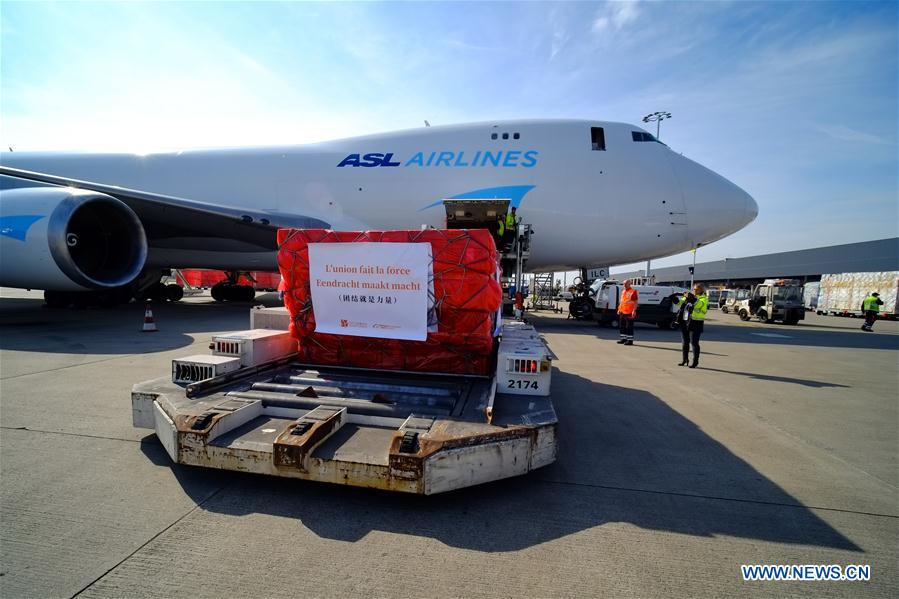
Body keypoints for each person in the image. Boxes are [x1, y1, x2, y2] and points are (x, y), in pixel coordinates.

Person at [675, 283, 708, 368]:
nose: (694, 290)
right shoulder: (690, 296)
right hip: (685, 322)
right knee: (685, 342)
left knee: (694, 343)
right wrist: (675, 299)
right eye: (693, 289)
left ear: (701, 290)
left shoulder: (703, 299)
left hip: (696, 322)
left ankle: (695, 361)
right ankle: (685, 359)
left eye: (696, 289)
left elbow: (699, 305)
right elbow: (680, 303)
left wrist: (692, 298)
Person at [617, 279, 638, 345]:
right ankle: (623, 339)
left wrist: (634, 311)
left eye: (626, 284)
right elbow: (622, 302)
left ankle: (630, 340)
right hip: (622, 312)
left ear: (629, 284)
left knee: (629, 327)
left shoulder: (633, 291)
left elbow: (635, 302)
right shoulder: (623, 291)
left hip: (629, 312)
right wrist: (619, 309)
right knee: (622, 326)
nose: (624, 285)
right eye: (624, 284)